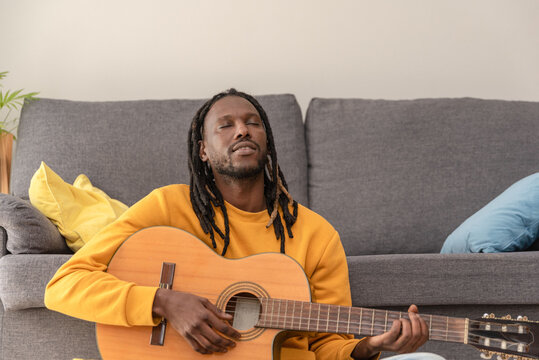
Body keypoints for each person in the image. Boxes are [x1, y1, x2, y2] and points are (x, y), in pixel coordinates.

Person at [45, 89, 445, 360]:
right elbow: (63, 286)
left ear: (266, 140)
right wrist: (164, 301)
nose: (242, 129)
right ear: (202, 150)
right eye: (226, 124)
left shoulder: (316, 235)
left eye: (253, 122)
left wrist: (370, 344)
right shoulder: (166, 207)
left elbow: (327, 346)